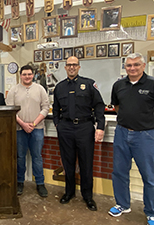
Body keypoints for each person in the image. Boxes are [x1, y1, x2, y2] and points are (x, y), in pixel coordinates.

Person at [53, 56, 105, 211]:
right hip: (66, 128)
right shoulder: (59, 87)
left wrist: (100, 126)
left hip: (84, 127)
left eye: (74, 65)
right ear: (65, 67)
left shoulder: (89, 84)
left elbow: (99, 106)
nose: (71, 67)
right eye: (69, 64)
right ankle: (69, 193)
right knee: (68, 163)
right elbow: (55, 109)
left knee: (86, 163)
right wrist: (58, 124)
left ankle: (87, 196)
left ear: (79, 67)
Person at [108, 53, 154, 225]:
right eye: (129, 65)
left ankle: (151, 212)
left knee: (149, 176)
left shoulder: (152, 84)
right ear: (125, 67)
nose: (132, 68)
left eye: (136, 65)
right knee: (119, 172)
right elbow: (117, 106)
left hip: (146, 135)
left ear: (143, 66)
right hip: (122, 133)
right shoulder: (118, 85)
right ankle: (122, 204)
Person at [6, 65, 50, 198]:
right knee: (20, 157)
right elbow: (10, 110)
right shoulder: (13, 90)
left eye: (29, 74)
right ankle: (20, 182)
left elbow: (46, 108)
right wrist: (23, 124)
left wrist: (34, 123)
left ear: (33, 75)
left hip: (37, 129)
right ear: (20, 75)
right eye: (24, 74)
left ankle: (40, 183)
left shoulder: (40, 89)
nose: (27, 76)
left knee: (37, 157)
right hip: (19, 129)